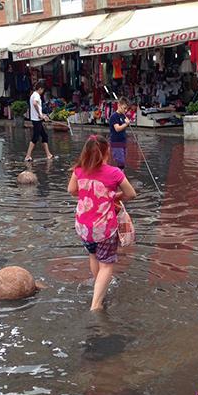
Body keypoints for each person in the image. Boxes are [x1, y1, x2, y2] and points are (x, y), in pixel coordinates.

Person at [67, 135, 137, 311]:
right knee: (106, 264)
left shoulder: (79, 170)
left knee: (93, 256)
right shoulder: (114, 173)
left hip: (83, 227)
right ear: (107, 152)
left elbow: (72, 190)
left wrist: (89, 194)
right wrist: (115, 196)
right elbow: (131, 194)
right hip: (103, 228)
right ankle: (96, 305)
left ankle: (99, 288)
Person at [24, 80, 53, 162]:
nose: (42, 92)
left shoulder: (33, 94)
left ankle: (48, 154)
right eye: (43, 90)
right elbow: (35, 104)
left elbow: (37, 108)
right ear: (40, 88)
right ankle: (28, 156)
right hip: (36, 120)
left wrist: (43, 115)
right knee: (35, 138)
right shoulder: (36, 95)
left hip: (36, 119)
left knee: (44, 136)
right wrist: (40, 115)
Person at [109, 97, 131, 169]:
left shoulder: (123, 116)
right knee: (120, 162)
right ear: (119, 105)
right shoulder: (114, 116)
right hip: (116, 142)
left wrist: (126, 123)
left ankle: (121, 177)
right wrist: (126, 124)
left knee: (123, 161)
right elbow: (117, 128)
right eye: (124, 108)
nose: (126, 110)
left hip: (123, 141)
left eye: (126, 109)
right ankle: (120, 178)